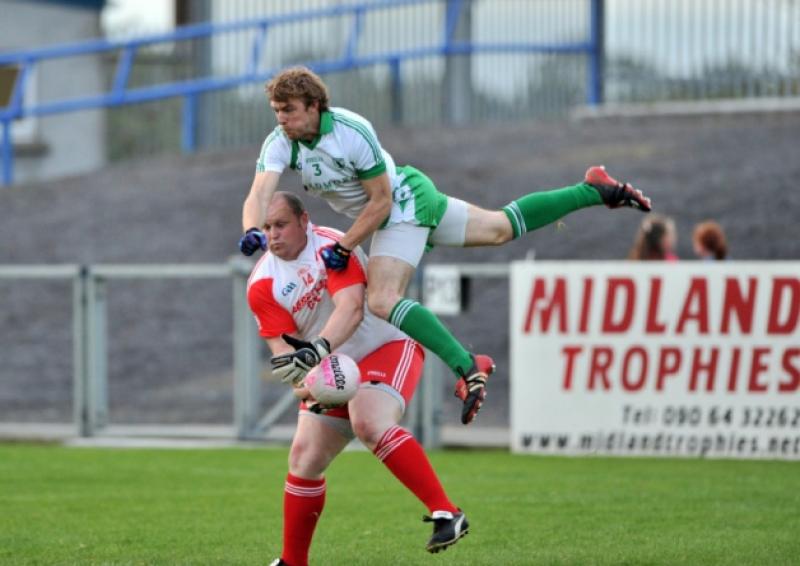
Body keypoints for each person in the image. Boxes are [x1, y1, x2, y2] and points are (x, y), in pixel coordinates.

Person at [239, 66, 652, 427]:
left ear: (313, 106)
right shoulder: (280, 141)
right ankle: (593, 189)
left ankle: (467, 366)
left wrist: (345, 247)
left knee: (382, 298)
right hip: (392, 211)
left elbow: (381, 201)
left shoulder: (350, 132)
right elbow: (259, 194)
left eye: (288, 109)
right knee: (500, 228)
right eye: (276, 110)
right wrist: (252, 230)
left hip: (401, 204)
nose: (282, 119)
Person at [249, 192, 469, 566]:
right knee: (304, 459)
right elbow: (286, 364)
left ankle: (447, 512)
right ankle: (292, 562)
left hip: (386, 344)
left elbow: (351, 309)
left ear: (305, 220)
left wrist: (318, 355)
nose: (273, 235)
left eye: (281, 224)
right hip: (335, 370)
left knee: (368, 420)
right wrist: (310, 386)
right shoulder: (261, 285)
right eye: (267, 227)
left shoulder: (333, 246)